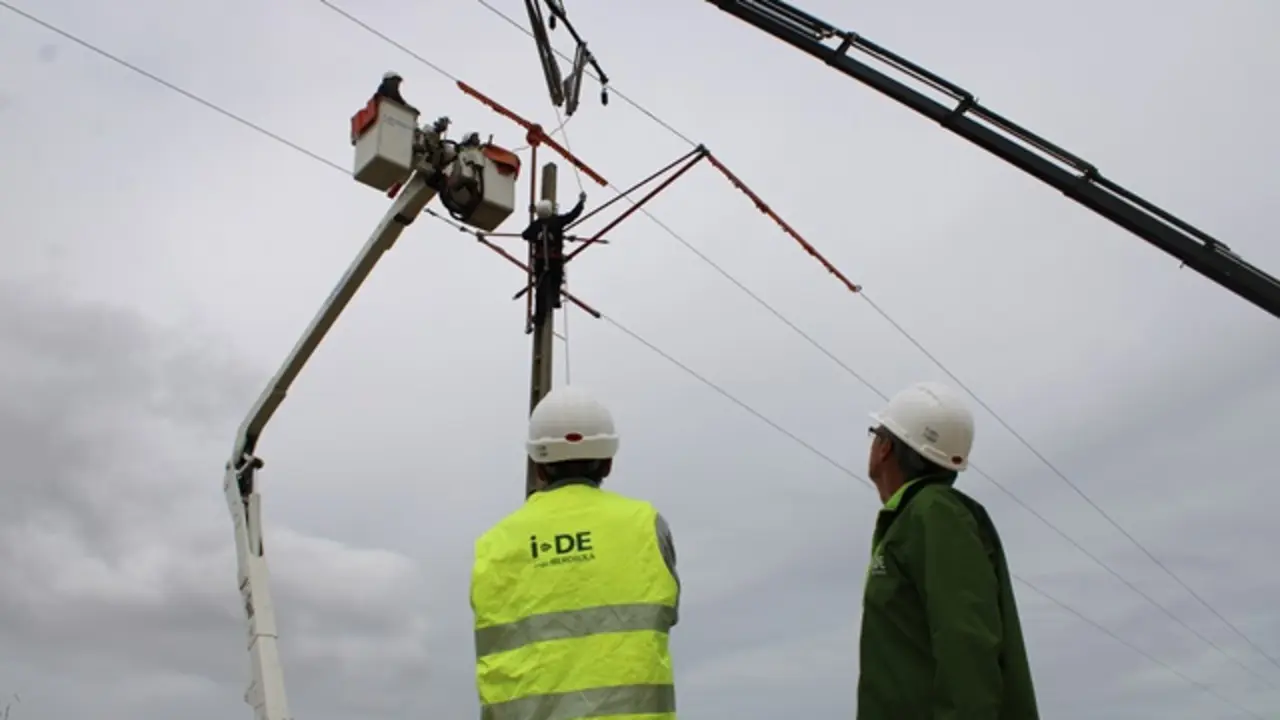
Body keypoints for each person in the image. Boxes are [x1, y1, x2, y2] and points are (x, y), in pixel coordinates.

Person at [470, 386, 680, 720]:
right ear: (608, 463)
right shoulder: (647, 525)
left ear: (538, 466)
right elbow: (665, 615)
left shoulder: (493, 545)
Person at [858, 381, 1039, 719]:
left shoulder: (936, 514)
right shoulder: (915, 517)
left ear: (885, 447)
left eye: (875, 434)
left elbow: (966, 641)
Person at [521, 192, 587, 325]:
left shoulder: (536, 225)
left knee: (540, 290)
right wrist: (581, 202)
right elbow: (572, 215)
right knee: (556, 280)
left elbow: (525, 235)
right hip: (555, 259)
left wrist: (535, 236)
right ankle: (555, 299)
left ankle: (540, 318)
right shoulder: (557, 221)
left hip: (540, 261)